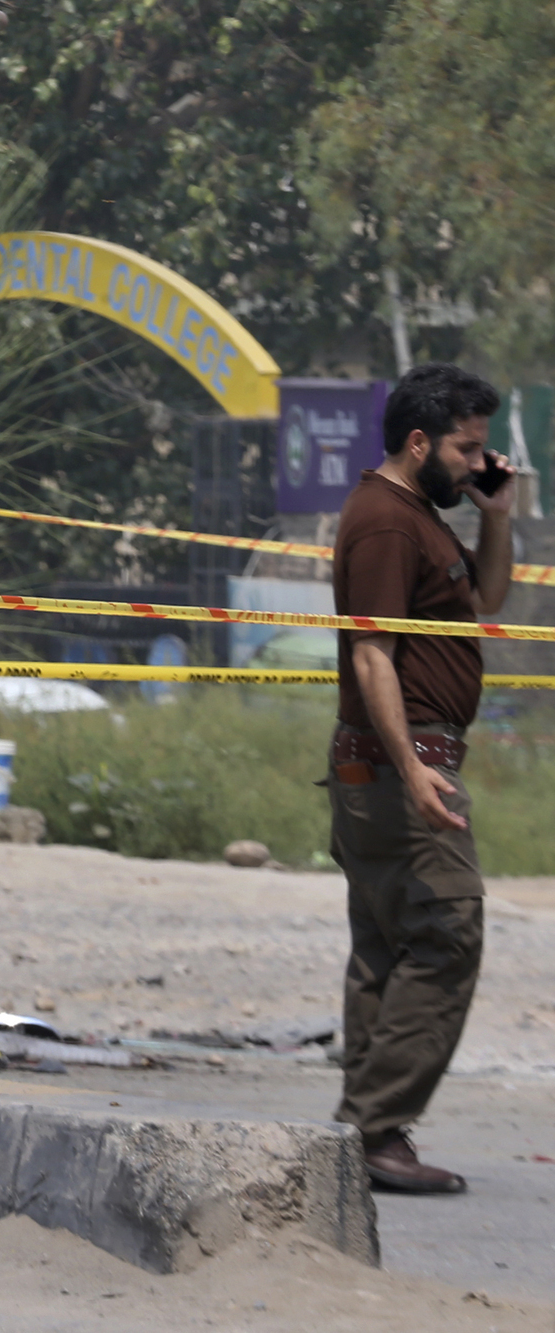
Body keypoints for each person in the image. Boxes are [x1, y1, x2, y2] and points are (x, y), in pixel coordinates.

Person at [327, 362, 508, 1194]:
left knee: (388, 945)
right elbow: (373, 654)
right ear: (419, 442)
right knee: (447, 931)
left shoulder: (420, 518)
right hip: (403, 765)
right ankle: (373, 1128)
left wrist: (495, 515)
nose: (479, 462)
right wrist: (412, 769)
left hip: (395, 764)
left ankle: (364, 1133)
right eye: (467, 449)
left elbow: (490, 596)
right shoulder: (386, 524)